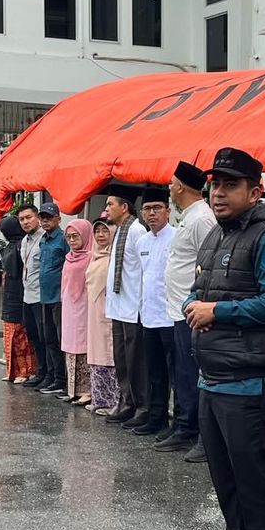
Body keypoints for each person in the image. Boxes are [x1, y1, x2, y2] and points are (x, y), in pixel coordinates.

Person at [184, 148, 265, 530]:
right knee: (225, 478)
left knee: (253, 479)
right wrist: (193, 305)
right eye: (215, 185)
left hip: (251, 384)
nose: (218, 193)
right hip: (213, 377)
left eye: (230, 185)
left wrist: (216, 312)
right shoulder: (216, 235)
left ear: (255, 191)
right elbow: (198, 290)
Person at [158, 162, 217, 459]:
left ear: (181, 186)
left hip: (192, 310)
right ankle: (183, 426)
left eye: (171, 183)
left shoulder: (203, 219)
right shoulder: (188, 217)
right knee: (181, 372)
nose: (169, 188)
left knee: (194, 373)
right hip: (178, 308)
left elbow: (209, 265)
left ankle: (199, 433)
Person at [128, 186, 177, 438]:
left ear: (168, 211)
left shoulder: (177, 237)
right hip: (148, 316)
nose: (152, 213)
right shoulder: (142, 241)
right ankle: (157, 418)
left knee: (176, 373)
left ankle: (180, 422)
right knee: (155, 372)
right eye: (147, 209)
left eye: (157, 208)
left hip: (171, 317)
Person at [103, 187, 149, 425]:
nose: (106, 209)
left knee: (135, 360)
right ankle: (127, 401)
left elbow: (143, 269)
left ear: (124, 207)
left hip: (133, 306)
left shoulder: (137, 230)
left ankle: (141, 406)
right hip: (118, 306)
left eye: (110, 204)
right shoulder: (120, 229)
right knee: (121, 358)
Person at [84, 219, 120, 415]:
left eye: (105, 231)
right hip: (94, 313)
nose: (100, 235)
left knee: (110, 353)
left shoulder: (115, 258)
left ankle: (115, 402)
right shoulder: (94, 256)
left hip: (109, 313)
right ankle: (100, 399)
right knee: (97, 352)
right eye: (97, 231)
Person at [0, 214, 39, 384]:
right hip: (10, 297)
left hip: (19, 296)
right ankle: (14, 371)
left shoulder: (22, 245)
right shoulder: (11, 246)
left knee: (21, 337)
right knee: (13, 337)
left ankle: (25, 371)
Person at [58, 218, 95, 404]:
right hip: (69, 307)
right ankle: (72, 389)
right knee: (70, 346)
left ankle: (87, 391)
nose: (72, 240)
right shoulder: (69, 257)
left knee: (84, 346)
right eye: (69, 237)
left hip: (85, 306)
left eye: (76, 236)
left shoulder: (91, 257)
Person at [36, 202, 68, 395]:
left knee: (60, 339)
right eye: (42, 218)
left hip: (59, 297)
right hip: (44, 296)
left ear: (58, 218)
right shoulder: (43, 240)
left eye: (49, 217)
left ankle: (64, 380)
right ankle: (54, 376)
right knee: (48, 339)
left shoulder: (63, 239)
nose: (45, 221)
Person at [15, 203, 46, 390]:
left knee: (46, 338)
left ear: (37, 218)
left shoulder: (44, 239)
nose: (25, 222)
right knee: (33, 336)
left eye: (28, 217)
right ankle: (41, 372)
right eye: (21, 219)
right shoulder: (24, 241)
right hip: (28, 296)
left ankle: (49, 374)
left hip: (41, 297)